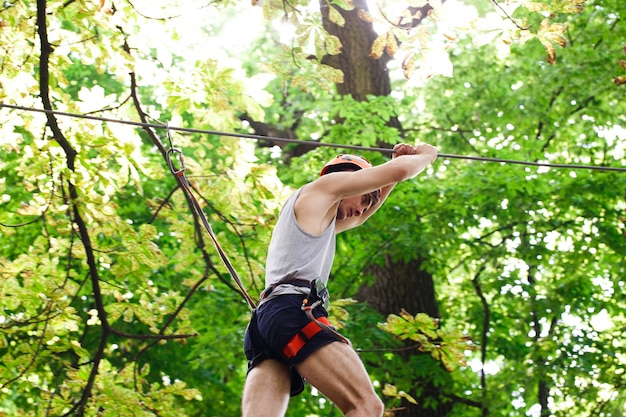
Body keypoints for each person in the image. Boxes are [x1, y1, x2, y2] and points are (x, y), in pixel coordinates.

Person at [242, 142, 438, 417]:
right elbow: (402, 171)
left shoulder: (316, 215)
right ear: (351, 181)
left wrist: (389, 177)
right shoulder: (325, 188)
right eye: (365, 198)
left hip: (268, 323)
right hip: (292, 311)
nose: (363, 210)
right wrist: (427, 156)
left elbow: (363, 216)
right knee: (366, 406)